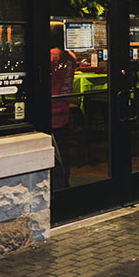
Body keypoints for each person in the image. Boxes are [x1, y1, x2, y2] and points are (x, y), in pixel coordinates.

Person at [50, 23, 77, 188]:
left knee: (54, 155)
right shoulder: (71, 56)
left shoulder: (51, 56)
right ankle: (65, 183)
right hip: (63, 110)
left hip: (49, 110)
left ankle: (58, 186)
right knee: (63, 152)